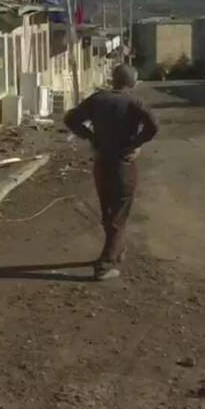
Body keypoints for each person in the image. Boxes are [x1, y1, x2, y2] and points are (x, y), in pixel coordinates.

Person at [64, 65, 158, 281]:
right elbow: (153, 125)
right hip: (123, 164)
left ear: (113, 79)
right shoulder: (133, 102)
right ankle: (104, 265)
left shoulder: (97, 99)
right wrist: (136, 143)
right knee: (119, 212)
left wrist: (92, 137)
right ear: (132, 81)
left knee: (109, 210)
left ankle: (117, 251)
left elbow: (70, 119)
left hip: (102, 162)